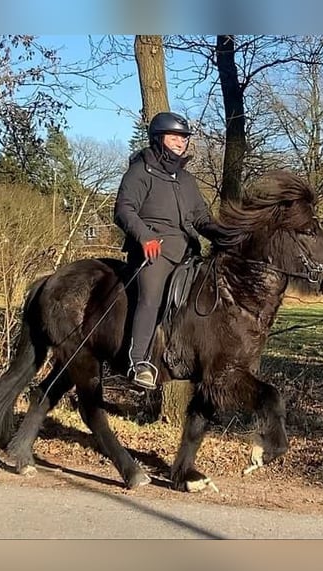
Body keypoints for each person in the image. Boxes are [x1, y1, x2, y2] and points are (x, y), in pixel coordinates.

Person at [113, 111, 240, 390]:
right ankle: (139, 363)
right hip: (154, 252)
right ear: (159, 139)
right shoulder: (140, 171)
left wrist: (229, 234)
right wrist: (145, 236)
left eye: (183, 138)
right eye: (175, 137)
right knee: (152, 297)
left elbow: (201, 219)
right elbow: (123, 209)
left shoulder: (185, 179)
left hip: (188, 253)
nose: (181, 143)